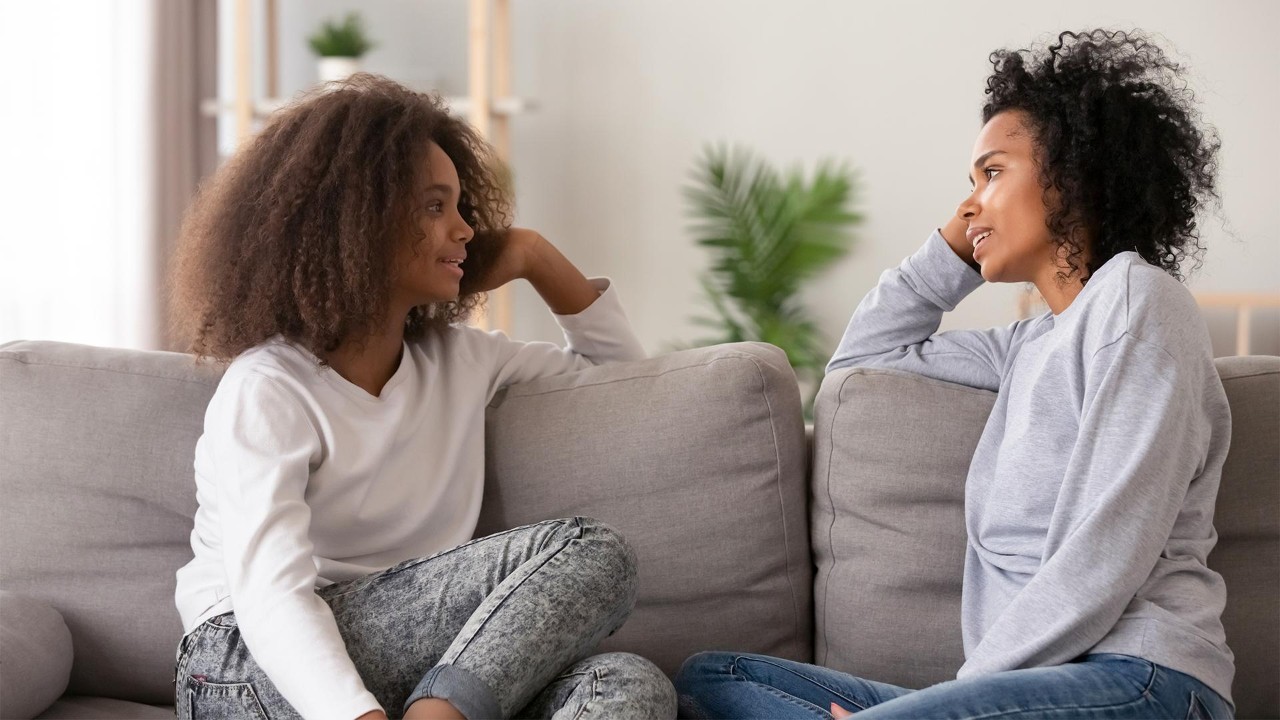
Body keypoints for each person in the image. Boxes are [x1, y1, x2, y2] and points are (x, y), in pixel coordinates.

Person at [675, 29, 1234, 720]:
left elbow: (1107, 551)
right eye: (968, 184)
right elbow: (861, 363)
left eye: (992, 172)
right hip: (1015, 691)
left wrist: (958, 702)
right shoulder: (1024, 347)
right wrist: (950, 252)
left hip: (1143, 680)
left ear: (1073, 175)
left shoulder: (1139, 300)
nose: (971, 206)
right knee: (715, 678)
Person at [169, 74, 676, 720]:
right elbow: (271, 596)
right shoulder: (266, 388)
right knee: (596, 552)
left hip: (406, 665)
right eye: (435, 207)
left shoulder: (464, 359)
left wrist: (533, 256)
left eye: (463, 207)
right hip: (242, 667)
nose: (466, 230)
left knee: (626, 682)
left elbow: (628, 385)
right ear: (355, 222)